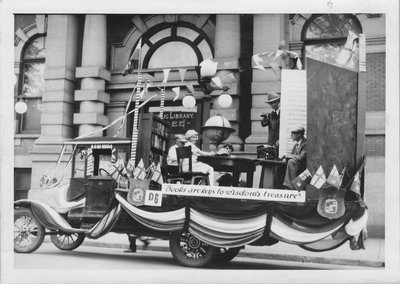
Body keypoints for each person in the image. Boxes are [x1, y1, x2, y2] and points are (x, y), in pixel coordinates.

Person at [282, 125, 307, 190]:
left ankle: (291, 188)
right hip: (297, 166)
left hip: (304, 168)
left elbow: (301, 157)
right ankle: (279, 186)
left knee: (291, 161)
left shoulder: (306, 143)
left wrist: (287, 156)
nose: (291, 135)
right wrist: (285, 158)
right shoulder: (296, 145)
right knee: (281, 164)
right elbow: (291, 155)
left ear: (299, 134)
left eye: (293, 133)